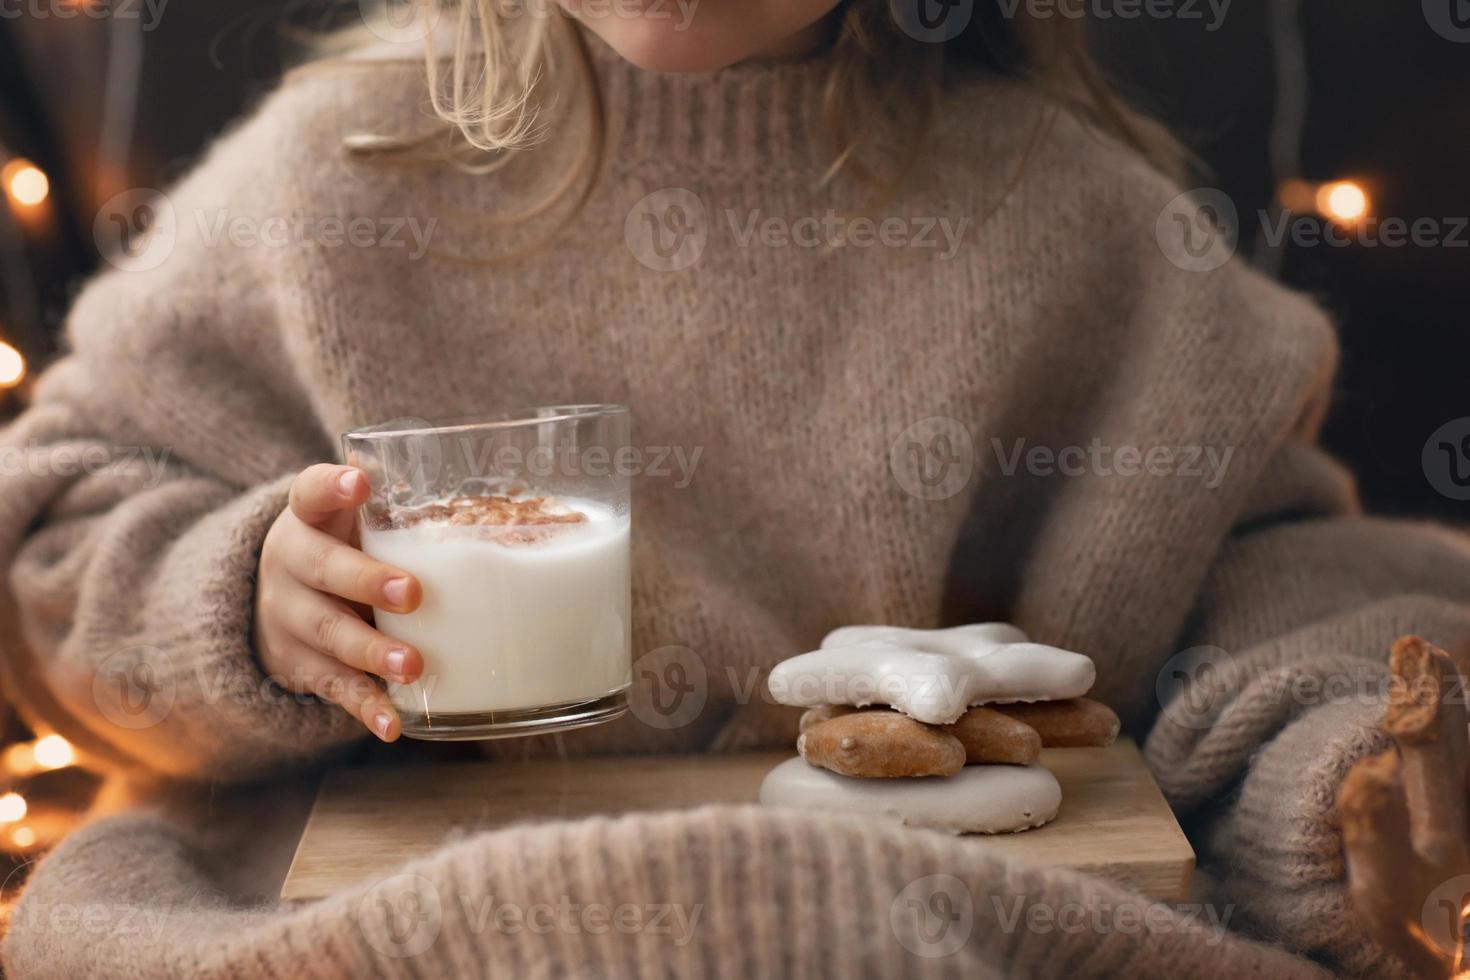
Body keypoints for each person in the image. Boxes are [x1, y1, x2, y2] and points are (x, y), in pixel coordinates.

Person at [1, 1, 1465, 975]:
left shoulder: (1075, 224)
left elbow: (1266, 586)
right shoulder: (332, 177)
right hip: (380, 917)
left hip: (938, 921)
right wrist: (241, 602)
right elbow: (61, 524)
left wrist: (1342, 775)